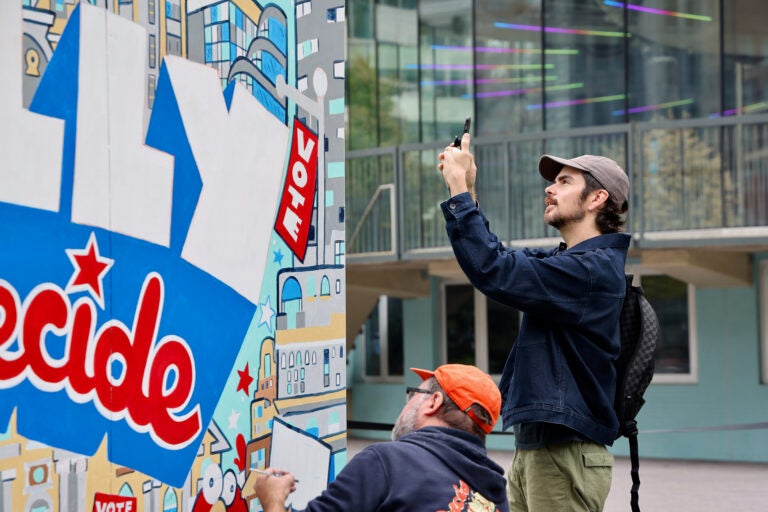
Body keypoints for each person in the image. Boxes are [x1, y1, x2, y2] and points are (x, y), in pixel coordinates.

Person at [438, 132, 631, 512]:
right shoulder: (568, 264)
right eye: (552, 181)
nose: (550, 189)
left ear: (597, 198)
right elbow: (497, 259)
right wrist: (469, 192)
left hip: (564, 451)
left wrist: (458, 188)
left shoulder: (591, 272)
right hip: (541, 448)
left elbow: (495, 270)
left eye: (564, 181)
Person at [247, 363, 510, 512]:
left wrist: (272, 498)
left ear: (434, 402)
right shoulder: (495, 496)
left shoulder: (387, 462)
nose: (406, 403)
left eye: (413, 393)